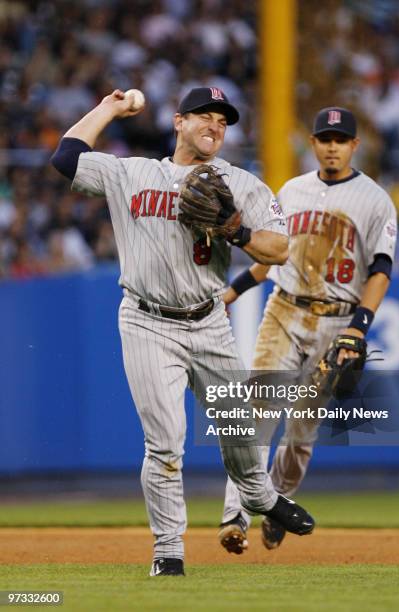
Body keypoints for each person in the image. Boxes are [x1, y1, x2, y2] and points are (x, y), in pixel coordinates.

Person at [50, 86, 315, 576]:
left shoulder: (242, 184)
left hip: (209, 320)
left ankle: (258, 495)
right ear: (178, 122)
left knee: (239, 432)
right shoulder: (133, 172)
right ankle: (168, 551)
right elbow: (67, 156)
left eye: (223, 119)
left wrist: (237, 231)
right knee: (166, 444)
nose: (216, 125)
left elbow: (280, 250)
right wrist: (109, 108)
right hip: (146, 321)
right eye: (204, 116)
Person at [218, 107, 397, 554]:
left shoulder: (375, 199)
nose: (332, 146)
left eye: (341, 139)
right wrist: (234, 290)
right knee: (258, 413)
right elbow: (274, 255)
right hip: (284, 309)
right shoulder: (292, 190)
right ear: (313, 144)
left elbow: (381, 268)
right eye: (325, 138)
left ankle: (279, 499)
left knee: (302, 432)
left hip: (338, 320)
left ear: (355, 146)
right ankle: (235, 516)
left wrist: (360, 325)